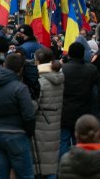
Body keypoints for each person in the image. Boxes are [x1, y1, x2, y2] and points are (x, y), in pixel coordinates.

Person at [0, 53, 36, 179]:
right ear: (20, 70)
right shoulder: (20, 88)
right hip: (17, 133)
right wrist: (28, 132)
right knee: (25, 174)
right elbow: (29, 115)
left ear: (4, 65)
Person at [60, 42, 99, 157]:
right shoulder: (91, 70)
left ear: (69, 54)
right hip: (84, 112)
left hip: (65, 112)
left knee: (64, 142)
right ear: (83, 54)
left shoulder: (63, 70)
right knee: (82, 142)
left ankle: (63, 169)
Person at [32, 47, 64, 179]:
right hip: (54, 124)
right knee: (51, 162)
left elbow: (33, 106)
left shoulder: (40, 80)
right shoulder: (59, 76)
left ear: (38, 62)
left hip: (40, 125)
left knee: (40, 162)